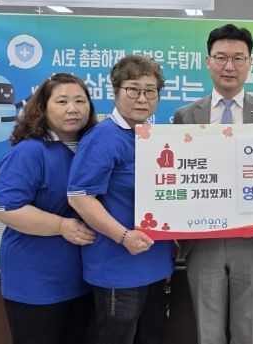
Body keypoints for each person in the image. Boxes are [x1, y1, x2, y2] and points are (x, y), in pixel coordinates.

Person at [173, 23, 253, 344]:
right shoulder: (185, 116)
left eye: (238, 58)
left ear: (250, 63)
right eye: (221, 57)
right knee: (208, 332)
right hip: (202, 238)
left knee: (249, 330)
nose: (229, 66)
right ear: (208, 61)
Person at [67, 55, 175, 344]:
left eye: (150, 91)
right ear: (115, 91)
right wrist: (123, 236)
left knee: (151, 336)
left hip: (156, 262)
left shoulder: (153, 137)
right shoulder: (103, 137)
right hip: (118, 265)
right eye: (133, 89)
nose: (142, 98)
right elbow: (79, 197)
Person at [0, 73, 98, 344]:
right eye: (62, 101)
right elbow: (3, 208)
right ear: (43, 108)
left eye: (80, 101)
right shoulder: (30, 152)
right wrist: (61, 226)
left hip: (81, 281)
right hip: (36, 283)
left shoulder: (90, 150)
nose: (73, 108)